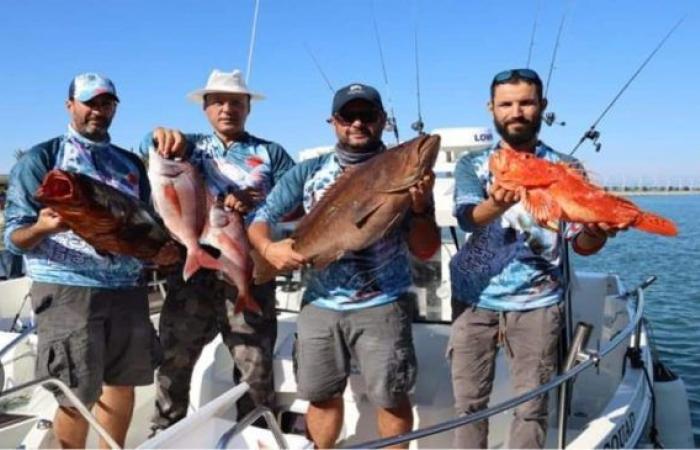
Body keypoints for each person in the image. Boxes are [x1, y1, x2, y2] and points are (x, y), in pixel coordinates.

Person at [248, 83, 441, 449]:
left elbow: (427, 249)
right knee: (320, 395)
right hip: (320, 306)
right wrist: (268, 249)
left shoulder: (399, 174)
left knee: (391, 396)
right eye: (347, 116)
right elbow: (262, 215)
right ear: (333, 121)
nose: (357, 123)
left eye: (367, 115)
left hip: (384, 304)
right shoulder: (309, 170)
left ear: (382, 120)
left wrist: (420, 208)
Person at [448, 68, 624, 449]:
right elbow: (466, 217)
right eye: (506, 104)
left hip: (538, 304)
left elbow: (580, 244)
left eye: (526, 102)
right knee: (468, 405)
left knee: (531, 406)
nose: (517, 111)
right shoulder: (473, 165)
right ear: (491, 109)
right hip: (473, 302)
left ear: (542, 107)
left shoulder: (566, 168)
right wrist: (494, 203)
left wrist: (597, 229)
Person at [2, 73, 177, 449]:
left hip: (128, 289)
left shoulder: (129, 163)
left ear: (114, 108)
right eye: (89, 103)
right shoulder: (43, 158)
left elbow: (145, 223)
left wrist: (163, 253)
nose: (98, 110)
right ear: (70, 106)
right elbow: (14, 239)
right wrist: (42, 229)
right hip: (68, 290)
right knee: (74, 392)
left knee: (122, 382)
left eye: (106, 103)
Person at [142, 68, 296, 433]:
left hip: (248, 272)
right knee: (174, 363)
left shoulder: (271, 153)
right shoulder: (188, 147)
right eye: (218, 101)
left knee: (255, 371)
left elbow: (299, 202)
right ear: (205, 108)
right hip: (191, 275)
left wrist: (261, 202)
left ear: (248, 108)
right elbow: (148, 150)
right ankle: (165, 435)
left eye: (236, 102)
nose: (227, 108)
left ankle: (255, 434)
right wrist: (158, 134)